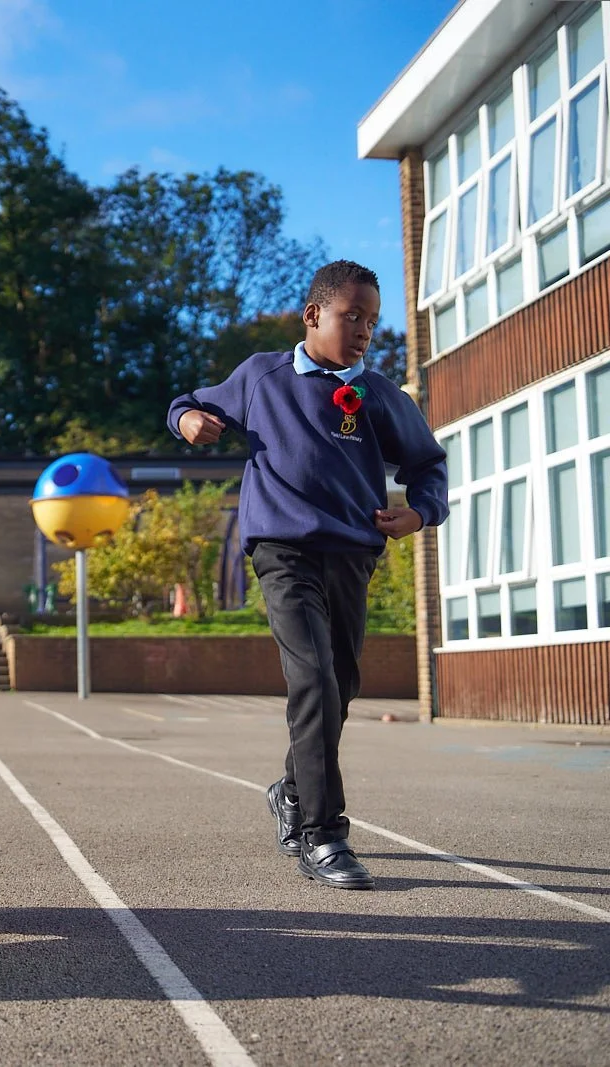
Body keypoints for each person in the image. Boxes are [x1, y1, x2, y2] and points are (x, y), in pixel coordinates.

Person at [166, 260, 447, 891]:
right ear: (313, 315)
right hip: (283, 550)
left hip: (352, 554)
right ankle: (324, 836)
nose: (365, 331)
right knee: (315, 678)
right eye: (353, 316)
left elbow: (429, 465)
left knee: (340, 685)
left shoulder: (379, 395)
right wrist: (188, 421)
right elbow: (185, 403)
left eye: (373, 322)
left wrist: (419, 514)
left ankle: (291, 791)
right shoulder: (261, 376)